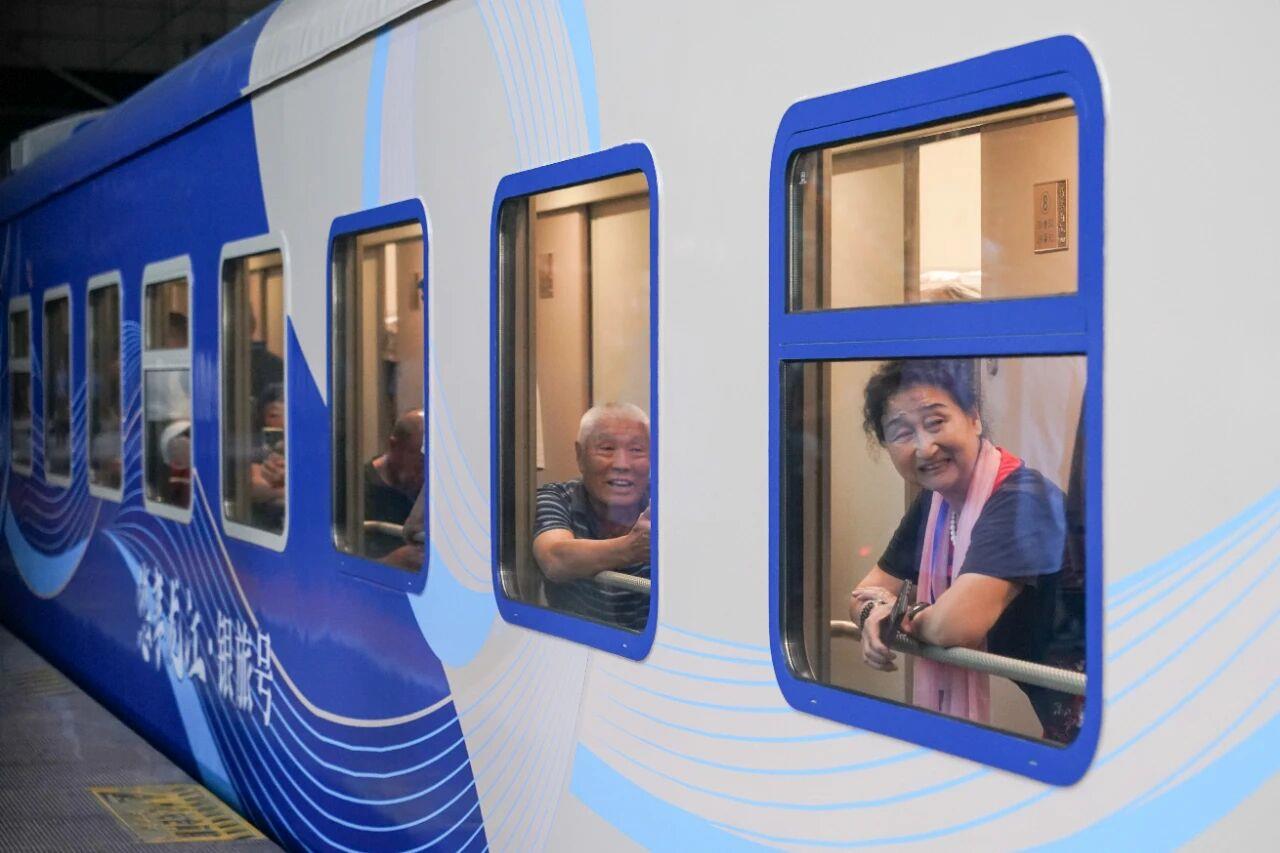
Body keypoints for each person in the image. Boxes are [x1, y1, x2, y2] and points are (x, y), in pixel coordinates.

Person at [847, 359, 1076, 742]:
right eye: (902, 433)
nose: (925, 447)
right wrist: (874, 612)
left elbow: (956, 626)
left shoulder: (1023, 501)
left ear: (974, 418)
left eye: (936, 422)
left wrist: (901, 615)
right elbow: (863, 594)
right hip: (1062, 711)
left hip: (1107, 703)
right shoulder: (935, 504)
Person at [532, 403, 651, 631]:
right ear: (580, 455)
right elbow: (554, 558)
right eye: (607, 448)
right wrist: (631, 548)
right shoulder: (557, 497)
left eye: (637, 450)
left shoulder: (667, 502)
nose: (622, 464)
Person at [361, 409, 424, 558]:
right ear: (394, 446)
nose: (422, 476)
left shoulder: (427, 491)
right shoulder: (356, 491)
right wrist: (394, 561)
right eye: (419, 463)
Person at [248, 383, 286, 531]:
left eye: (289, 412)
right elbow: (255, 488)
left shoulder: (310, 446)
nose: (283, 420)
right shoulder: (258, 448)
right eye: (274, 415)